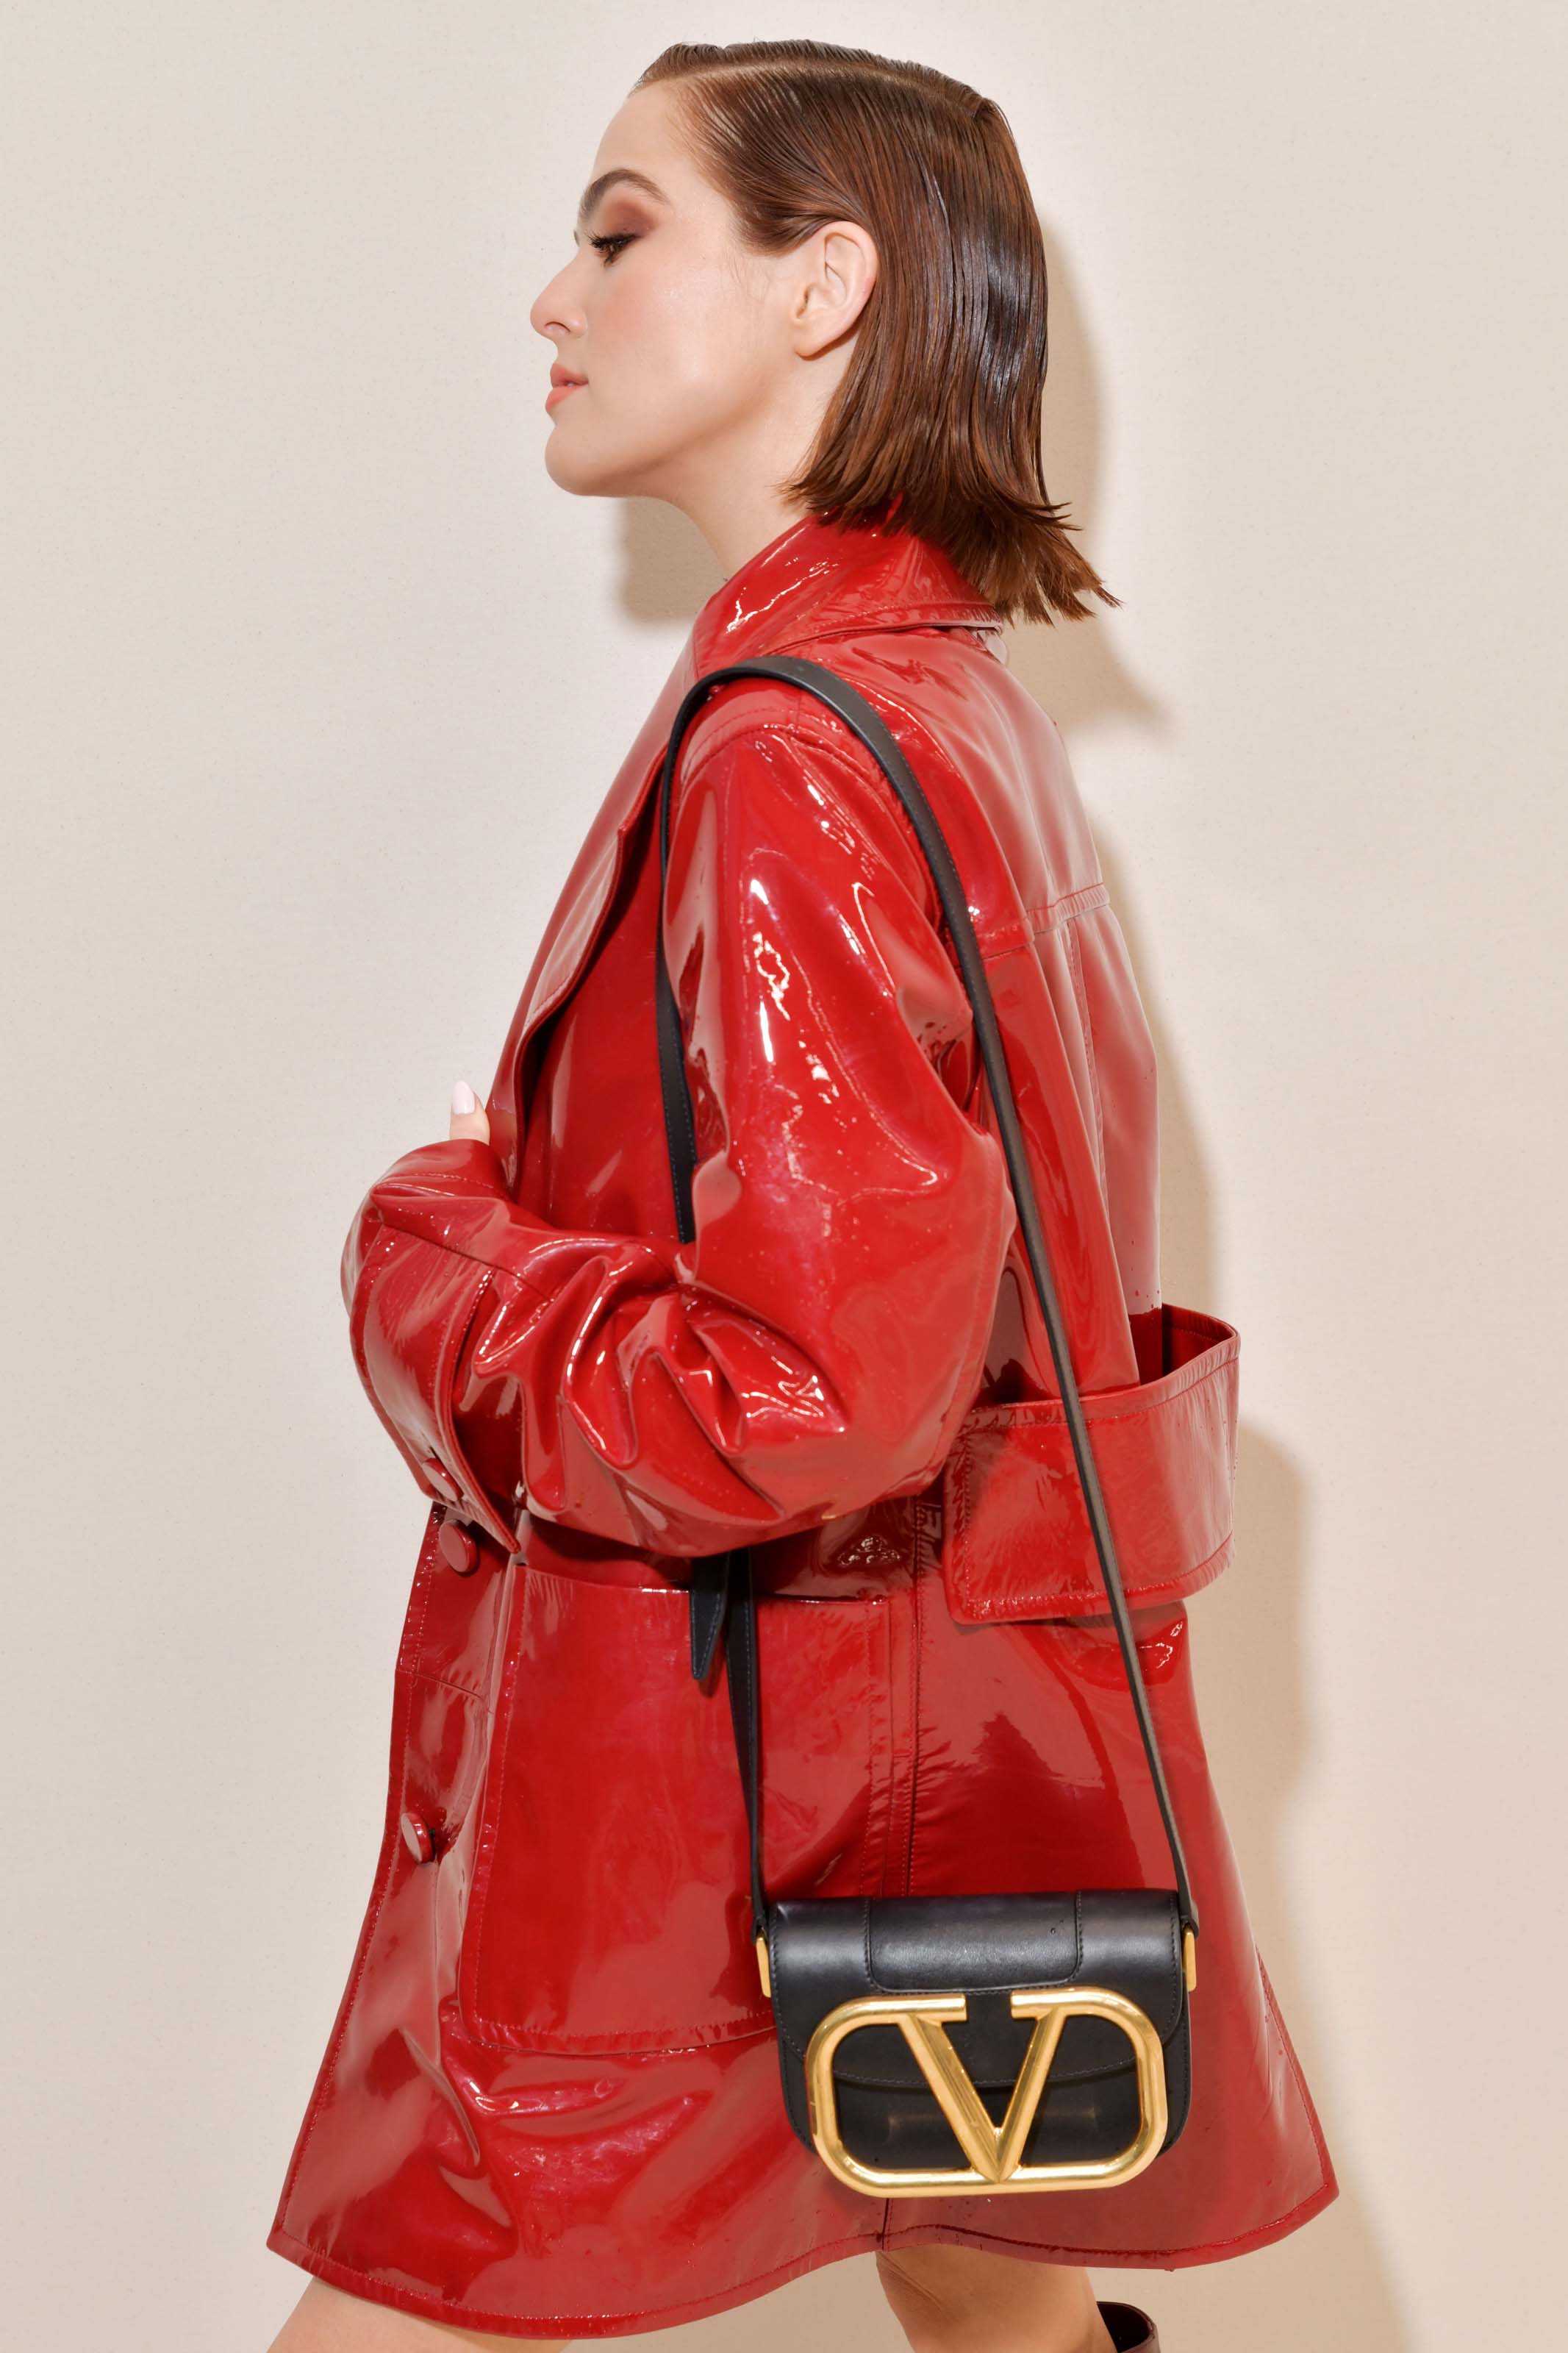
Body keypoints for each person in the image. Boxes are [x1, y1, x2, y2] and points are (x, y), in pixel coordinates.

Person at [265, 39, 1337, 2353]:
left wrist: (435, 1265)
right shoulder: (940, 692)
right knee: (989, 2265)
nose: (553, 297)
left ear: (823, 284)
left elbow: (820, 1391)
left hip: (741, 1771)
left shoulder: (791, 752)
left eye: (622, 232)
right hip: (941, 1758)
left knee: (455, 2286)